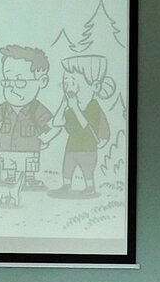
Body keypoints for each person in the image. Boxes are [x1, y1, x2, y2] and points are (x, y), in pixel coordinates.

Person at [49, 55, 114, 199]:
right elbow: (57, 122)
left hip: (88, 147)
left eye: (74, 83)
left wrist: (75, 108)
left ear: (95, 86)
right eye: (66, 83)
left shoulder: (93, 106)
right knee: (67, 166)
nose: (69, 88)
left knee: (87, 169)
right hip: (72, 146)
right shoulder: (70, 108)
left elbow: (85, 125)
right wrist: (63, 105)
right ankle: (66, 185)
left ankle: (90, 187)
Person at [0, 44, 53, 190]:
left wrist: (44, 139)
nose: (12, 88)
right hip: (6, 148)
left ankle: (29, 179)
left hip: (30, 146)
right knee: (10, 164)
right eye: (7, 81)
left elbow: (51, 125)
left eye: (20, 81)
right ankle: (10, 177)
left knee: (29, 164)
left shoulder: (36, 108)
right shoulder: (3, 108)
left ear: (42, 81)